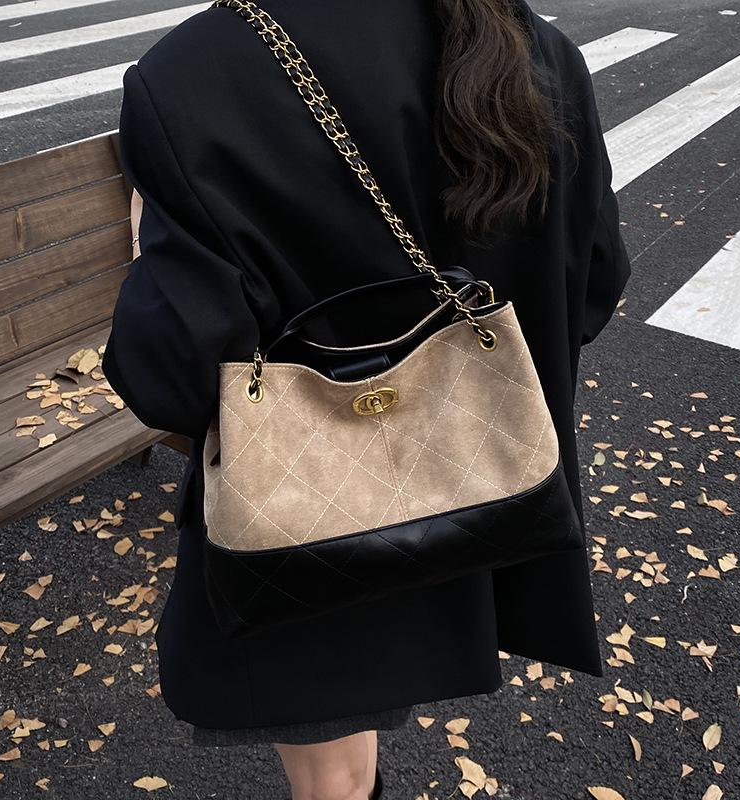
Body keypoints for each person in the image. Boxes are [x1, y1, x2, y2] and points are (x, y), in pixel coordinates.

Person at [102, 1, 631, 798]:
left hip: (309, 520)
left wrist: (144, 243)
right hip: (487, 481)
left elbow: (170, 380)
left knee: (335, 778)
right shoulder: (530, 44)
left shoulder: (197, 71)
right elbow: (594, 286)